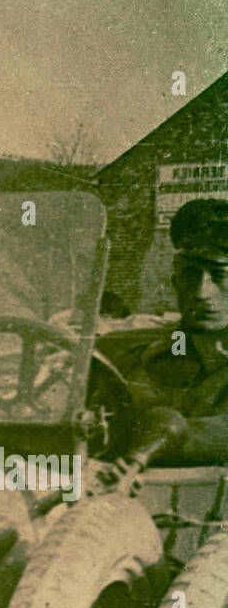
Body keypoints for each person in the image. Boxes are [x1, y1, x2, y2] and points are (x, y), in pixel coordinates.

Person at [95, 197, 228, 463]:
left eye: (219, 276)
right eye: (191, 275)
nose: (202, 293)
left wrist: (171, 433)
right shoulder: (131, 357)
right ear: (175, 281)